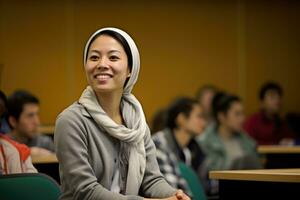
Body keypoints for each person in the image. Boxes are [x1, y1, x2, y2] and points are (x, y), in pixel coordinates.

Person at [54, 27, 190, 200]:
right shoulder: (71, 121)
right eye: (94, 57)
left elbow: (152, 180)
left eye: (113, 57)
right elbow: (86, 191)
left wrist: (175, 195)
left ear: (130, 70)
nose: (102, 64)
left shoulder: (137, 123)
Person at [152, 97, 206, 196]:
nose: (204, 123)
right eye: (199, 117)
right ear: (181, 119)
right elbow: (171, 190)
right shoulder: (159, 144)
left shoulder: (193, 148)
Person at [198, 92, 261, 171]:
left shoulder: (246, 140)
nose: (242, 119)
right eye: (237, 114)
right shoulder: (206, 143)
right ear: (221, 116)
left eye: (242, 114)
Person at [7, 90, 54, 156]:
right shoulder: (3, 146)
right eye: (30, 116)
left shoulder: (45, 143)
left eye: (37, 114)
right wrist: (27, 153)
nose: (37, 122)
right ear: (13, 121)